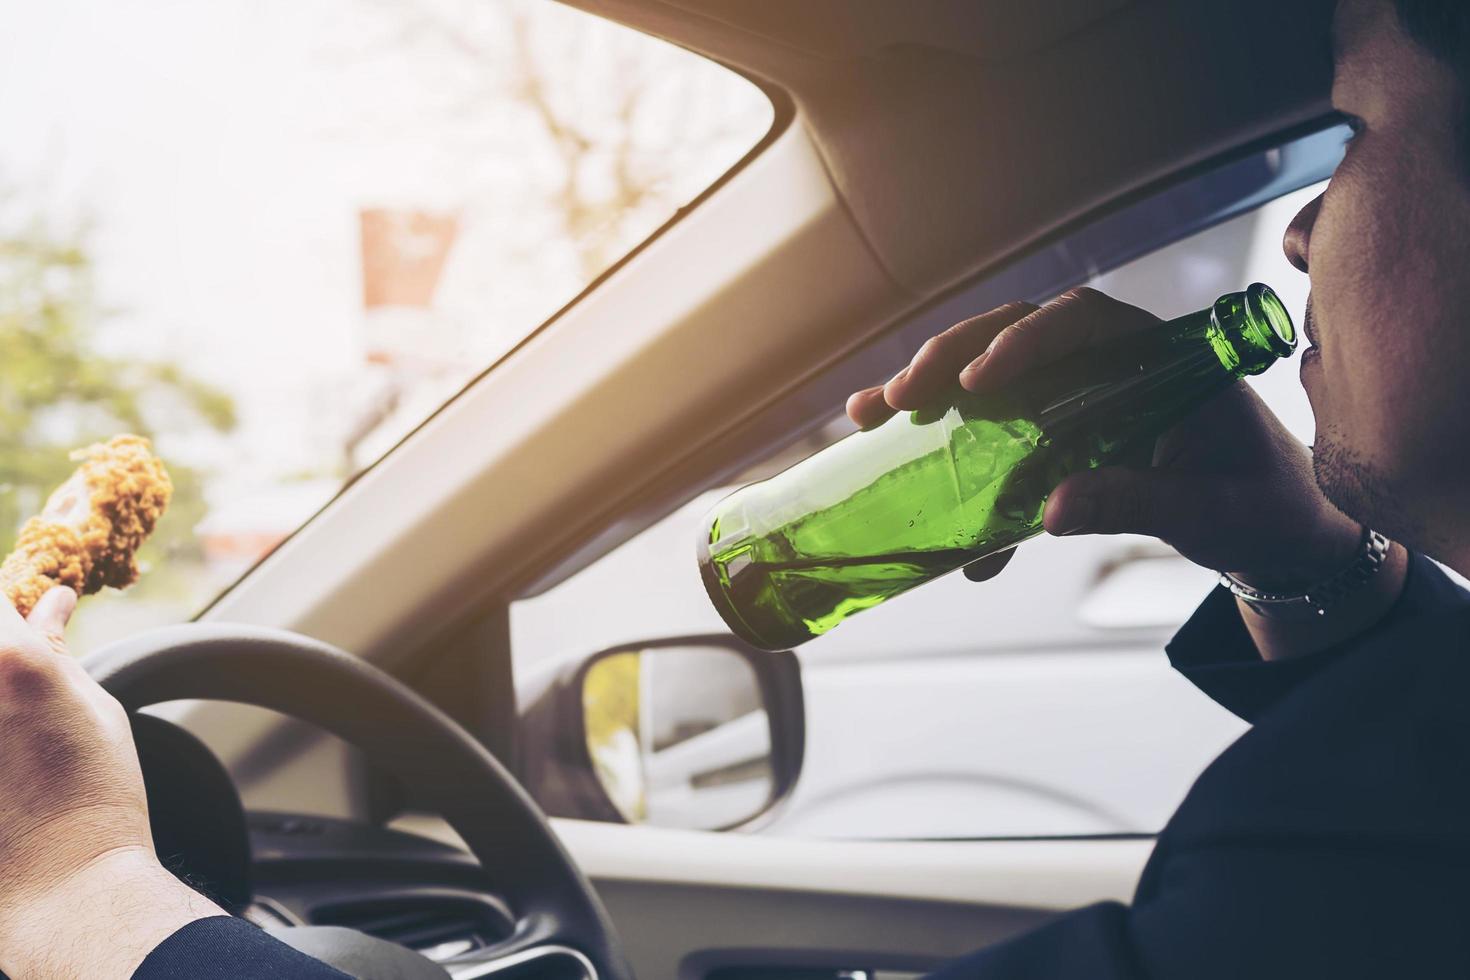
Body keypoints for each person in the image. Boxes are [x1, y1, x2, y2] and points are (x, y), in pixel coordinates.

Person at [0, 0, 1464, 976]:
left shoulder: (1359, 863)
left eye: (1358, 140)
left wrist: (78, 883)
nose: (1299, 236)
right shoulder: (1404, 807)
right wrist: (1307, 565)